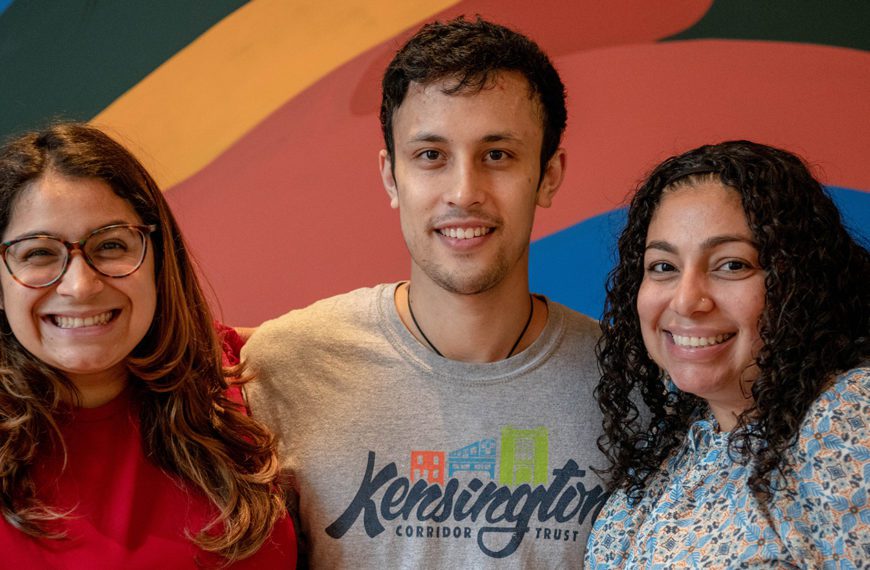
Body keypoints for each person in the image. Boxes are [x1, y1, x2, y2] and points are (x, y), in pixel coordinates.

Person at [243, 16, 606, 568]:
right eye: (431, 155)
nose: (464, 192)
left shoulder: (625, 387)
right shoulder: (284, 369)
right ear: (391, 176)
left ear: (549, 174)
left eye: (498, 155)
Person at [0, 123, 297, 568]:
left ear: (158, 261)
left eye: (111, 245)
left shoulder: (232, 370)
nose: (80, 286)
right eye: (38, 253)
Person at [585, 140, 869, 567]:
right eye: (663, 267)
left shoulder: (845, 419)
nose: (686, 301)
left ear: (800, 282)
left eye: (732, 265)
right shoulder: (680, 441)